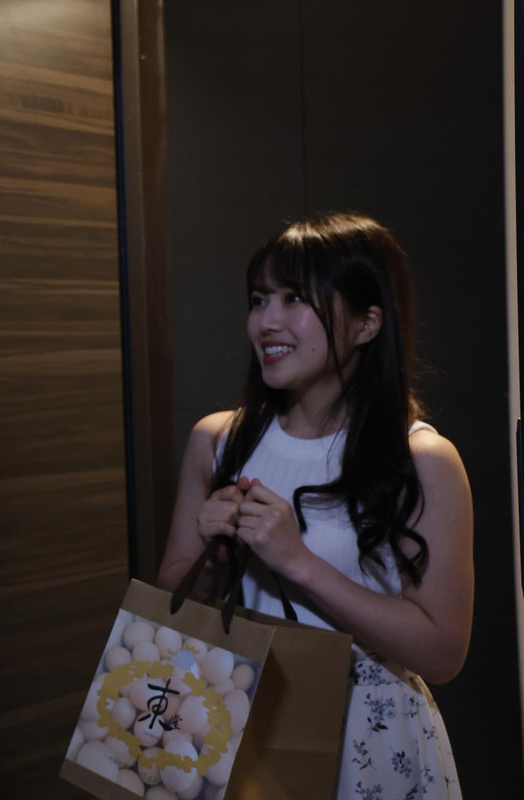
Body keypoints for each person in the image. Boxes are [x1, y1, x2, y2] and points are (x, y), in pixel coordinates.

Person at [157, 213, 472, 798]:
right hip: (235, 717)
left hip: (369, 738)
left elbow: (442, 652)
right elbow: (171, 597)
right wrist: (216, 558)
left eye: (295, 298)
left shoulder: (421, 459)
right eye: (259, 300)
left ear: (367, 323)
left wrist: (297, 561)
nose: (267, 322)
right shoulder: (218, 441)